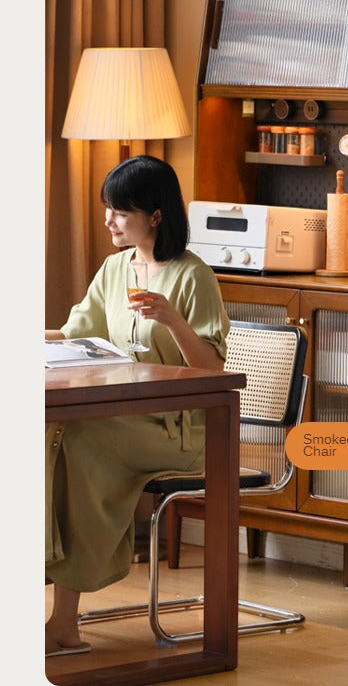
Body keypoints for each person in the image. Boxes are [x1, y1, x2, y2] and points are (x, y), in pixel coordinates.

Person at [44, 155, 230, 658]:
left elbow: (213, 369)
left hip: (184, 432)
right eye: (106, 209)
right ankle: (47, 577)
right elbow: (75, 332)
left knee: (80, 438)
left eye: (119, 212)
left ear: (155, 215)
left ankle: (62, 621)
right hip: (127, 418)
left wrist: (172, 319)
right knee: (50, 432)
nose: (108, 220)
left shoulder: (194, 277)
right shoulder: (114, 268)